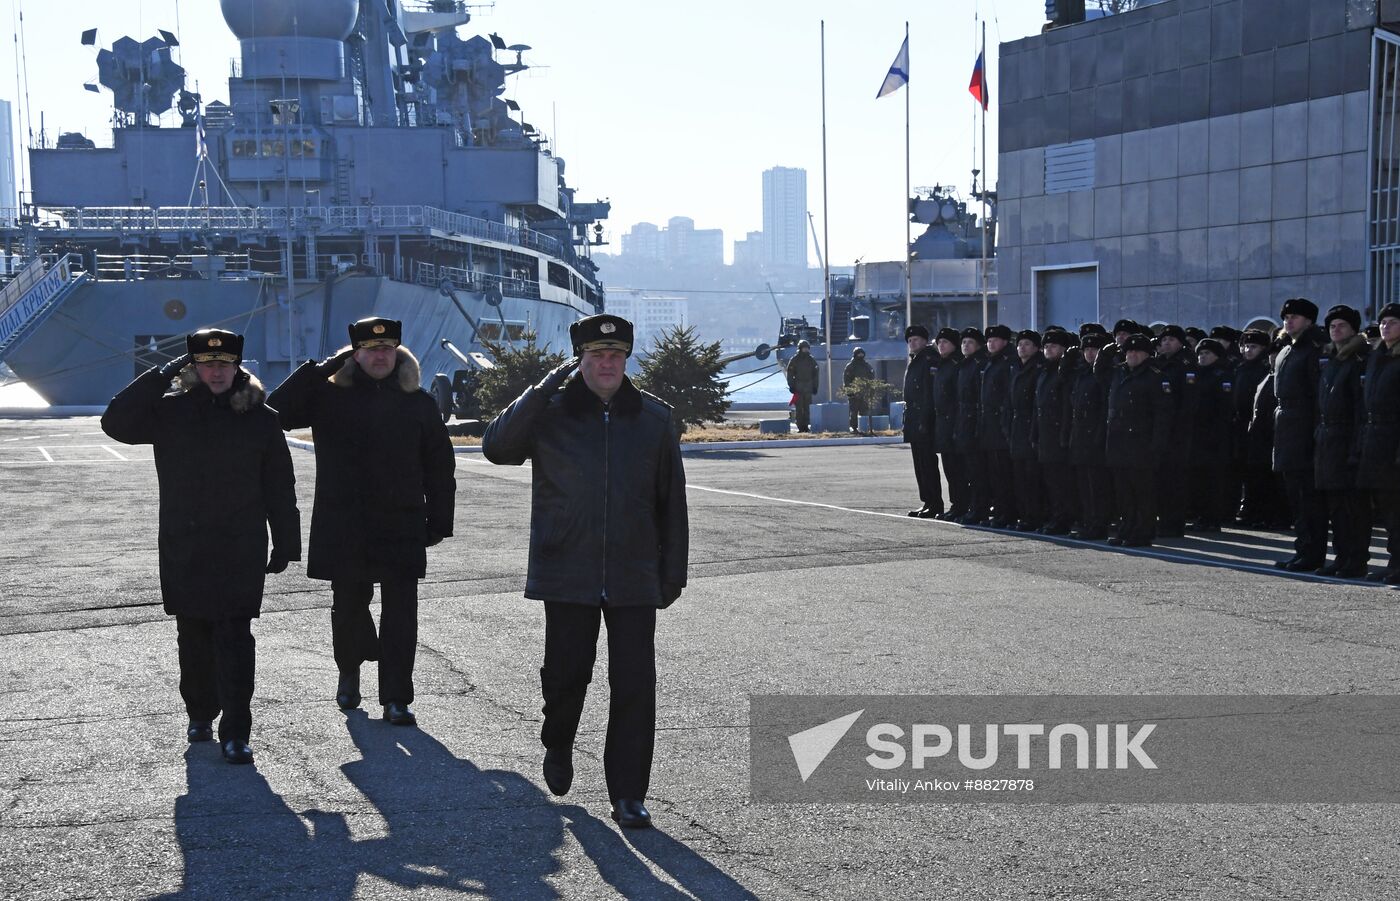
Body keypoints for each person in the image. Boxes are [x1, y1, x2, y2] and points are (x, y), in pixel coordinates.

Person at [481, 314, 688, 829]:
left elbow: (672, 504)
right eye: (596, 355)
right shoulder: (549, 413)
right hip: (566, 568)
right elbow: (497, 448)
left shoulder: (655, 420)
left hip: (635, 573)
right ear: (580, 360)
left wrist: (673, 573)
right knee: (567, 675)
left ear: (626, 359)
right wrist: (540, 389)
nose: (607, 364)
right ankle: (558, 740)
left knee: (635, 684)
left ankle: (628, 792)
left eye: (616, 355)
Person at [101, 329, 300, 765]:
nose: (215, 370)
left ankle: (235, 731)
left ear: (237, 367)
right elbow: (114, 422)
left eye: (224, 363)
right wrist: (160, 373)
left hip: (240, 546)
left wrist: (287, 540)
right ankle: (200, 713)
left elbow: (279, 485)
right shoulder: (170, 413)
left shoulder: (261, 418)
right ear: (193, 367)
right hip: (185, 544)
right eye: (206, 363)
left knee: (235, 637)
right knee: (193, 637)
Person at [267, 317, 456, 726]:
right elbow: (274, 412)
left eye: (387, 349)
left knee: (401, 615)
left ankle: (396, 697)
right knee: (349, 607)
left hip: (401, 522)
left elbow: (440, 465)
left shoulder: (418, 401)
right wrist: (321, 369)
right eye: (370, 350)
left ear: (398, 353)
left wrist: (439, 518)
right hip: (345, 522)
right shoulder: (329, 397)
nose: (379, 356)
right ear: (354, 354)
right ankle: (349, 671)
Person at [1270, 298, 1328, 571]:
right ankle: (1302, 549)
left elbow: (1318, 396)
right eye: (1286, 316)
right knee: (1296, 496)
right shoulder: (1286, 350)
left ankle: (1313, 553)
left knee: (1309, 498)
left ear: (1309, 321)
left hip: (1304, 427)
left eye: (1295, 317)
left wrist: (1314, 432)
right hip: (1286, 428)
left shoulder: (1313, 350)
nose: (1289, 321)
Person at [1314, 305, 1372, 578]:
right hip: (1328, 439)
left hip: (1347, 438)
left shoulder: (1359, 359)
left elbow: (1360, 409)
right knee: (1336, 505)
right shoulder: (1333, 360)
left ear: (1353, 330)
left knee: (1353, 506)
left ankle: (1356, 559)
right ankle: (1341, 556)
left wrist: (1355, 447)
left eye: (1342, 326)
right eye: (1332, 326)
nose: (1336, 330)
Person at [1106, 333, 1172, 547]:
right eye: (1129, 351)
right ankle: (1127, 528)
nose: (1132, 354)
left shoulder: (1155, 376)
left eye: (1137, 351)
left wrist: (1157, 445)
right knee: (1123, 491)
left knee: (1142, 492)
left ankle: (1142, 531)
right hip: (1119, 442)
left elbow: (1163, 415)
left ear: (1147, 354)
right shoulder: (1119, 373)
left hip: (1142, 444)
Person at [1359, 304, 1400, 584]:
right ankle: (1394, 560)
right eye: (1383, 321)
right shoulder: (1378, 357)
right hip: (1377, 438)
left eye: (1393, 321)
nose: (1385, 326)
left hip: (1394, 438)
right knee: (1386, 505)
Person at [1152, 325, 1198, 538]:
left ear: (1181, 342)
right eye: (1164, 339)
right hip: (1159, 430)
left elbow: (1188, 402)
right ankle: (1163, 519)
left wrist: (1179, 429)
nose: (1167, 343)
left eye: (1172, 339)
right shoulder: (1158, 363)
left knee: (1175, 479)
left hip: (1178, 432)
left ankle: (1174, 522)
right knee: (1160, 478)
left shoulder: (1185, 365)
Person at [1185, 338, 1233, 532]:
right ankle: (1201, 515)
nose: (1202, 356)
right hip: (1197, 434)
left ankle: (1212, 518)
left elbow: (1225, 408)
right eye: (1200, 353)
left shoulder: (1222, 375)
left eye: (1207, 353)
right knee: (1198, 478)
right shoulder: (1197, 374)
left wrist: (1216, 433)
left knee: (1212, 480)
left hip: (1214, 436)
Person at [1069, 332, 1113, 540]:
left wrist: (1098, 436)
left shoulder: (1103, 375)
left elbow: (1105, 408)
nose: (1089, 353)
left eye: (1094, 350)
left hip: (1095, 436)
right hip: (1080, 436)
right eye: (1086, 350)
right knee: (1083, 485)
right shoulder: (1082, 373)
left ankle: (1098, 523)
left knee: (1097, 486)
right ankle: (1088, 521)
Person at [1034, 329, 1077, 535]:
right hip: (1045, 433)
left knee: (1062, 482)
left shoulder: (1065, 371)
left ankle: (1064, 518)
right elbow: (1038, 406)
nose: (1049, 349)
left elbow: (1068, 407)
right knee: (1051, 481)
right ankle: (1055, 515)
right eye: (1046, 346)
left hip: (1059, 432)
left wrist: (1065, 434)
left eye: (1054, 346)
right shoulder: (1044, 371)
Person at [1231, 330, 1273, 526]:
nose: (1248, 350)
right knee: (1244, 469)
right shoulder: (1241, 368)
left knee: (1258, 470)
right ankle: (1247, 506)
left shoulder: (1264, 369)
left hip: (1258, 424)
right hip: (1240, 424)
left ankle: (1259, 510)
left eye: (1253, 347)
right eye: (1246, 346)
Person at [978, 324, 1018, 528]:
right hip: (990, 426)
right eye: (989, 340)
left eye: (994, 340)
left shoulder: (1008, 362)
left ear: (1004, 342)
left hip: (1001, 426)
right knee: (994, 473)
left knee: (1004, 473)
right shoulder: (991, 362)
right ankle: (1000, 511)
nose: (990, 343)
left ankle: (1008, 512)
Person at [1007, 329, 1046, 532]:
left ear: (1037, 348)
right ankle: (1024, 515)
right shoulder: (1016, 368)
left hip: (1031, 427)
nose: (1022, 347)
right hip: (1017, 427)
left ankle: (1035, 516)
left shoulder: (1038, 368)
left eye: (1027, 344)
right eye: (1020, 344)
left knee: (1033, 477)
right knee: (1019, 476)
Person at [901, 326, 942, 517]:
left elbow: (928, 393)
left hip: (923, 419)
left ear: (926, 341)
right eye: (910, 340)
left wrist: (925, 420)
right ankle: (927, 501)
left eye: (916, 339)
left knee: (927, 463)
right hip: (914, 419)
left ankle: (935, 503)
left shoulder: (929, 359)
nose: (912, 343)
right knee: (920, 463)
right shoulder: (916, 361)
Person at [930, 328, 967, 521]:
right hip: (942, 424)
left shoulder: (956, 365)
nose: (941, 345)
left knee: (959, 470)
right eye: (939, 342)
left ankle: (962, 505)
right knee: (950, 469)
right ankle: (956, 505)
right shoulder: (941, 365)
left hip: (954, 423)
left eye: (945, 342)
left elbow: (958, 399)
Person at [954, 328, 990, 524]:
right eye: (964, 342)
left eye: (970, 342)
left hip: (974, 421)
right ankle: (971, 506)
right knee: (967, 470)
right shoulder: (964, 365)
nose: (966, 345)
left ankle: (979, 508)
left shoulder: (979, 364)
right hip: (963, 421)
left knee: (978, 472)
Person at [786, 339, 820, 433]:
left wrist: (815, 387)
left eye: (807, 348)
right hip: (798, 387)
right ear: (800, 349)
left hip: (808, 387)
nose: (805, 350)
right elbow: (790, 373)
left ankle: (806, 426)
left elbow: (816, 374)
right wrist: (791, 386)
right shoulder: (795, 360)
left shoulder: (811, 360)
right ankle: (800, 426)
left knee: (807, 408)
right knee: (799, 408)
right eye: (804, 348)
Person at [843, 347, 875, 432]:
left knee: (864, 410)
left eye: (862, 353)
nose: (860, 355)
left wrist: (871, 390)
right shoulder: (850, 366)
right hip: (854, 393)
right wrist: (849, 391)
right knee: (854, 411)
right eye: (859, 353)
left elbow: (872, 378)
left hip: (864, 393)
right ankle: (854, 428)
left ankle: (864, 427)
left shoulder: (866, 366)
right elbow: (847, 380)